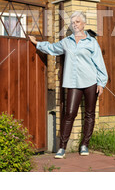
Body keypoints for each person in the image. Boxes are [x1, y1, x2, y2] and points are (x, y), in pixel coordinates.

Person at [28, 11, 108, 159]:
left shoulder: (91, 42)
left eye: (77, 21)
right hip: (73, 82)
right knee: (69, 113)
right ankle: (62, 147)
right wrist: (37, 43)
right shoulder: (66, 42)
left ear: (83, 24)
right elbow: (52, 48)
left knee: (90, 114)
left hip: (91, 81)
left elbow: (99, 63)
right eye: (73, 22)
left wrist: (101, 83)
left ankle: (85, 145)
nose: (75, 24)